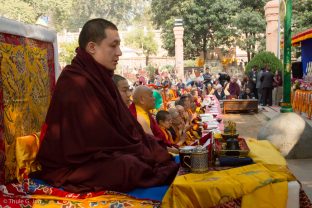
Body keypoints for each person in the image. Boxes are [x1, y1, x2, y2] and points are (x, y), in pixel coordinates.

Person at [33, 18, 178, 193]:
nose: (119, 52)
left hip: (107, 150)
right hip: (77, 161)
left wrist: (142, 146)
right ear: (92, 48)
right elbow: (95, 137)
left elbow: (124, 125)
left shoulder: (102, 77)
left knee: (153, 149)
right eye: (113, 46)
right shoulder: (74, 80)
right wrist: (135, 149)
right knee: (128, 166)